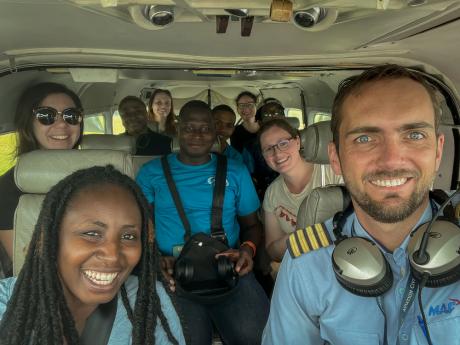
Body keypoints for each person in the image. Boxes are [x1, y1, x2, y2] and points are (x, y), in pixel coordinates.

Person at [262, 64, 460, 345]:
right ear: (335, 157)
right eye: (365, 138)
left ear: (438, 151)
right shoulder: (305, 265)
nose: (391, 160)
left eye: (414, 135)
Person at [0, 165, 185, 345]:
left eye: (128, 236)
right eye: (91, 234)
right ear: (50, 238)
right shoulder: (4, 304)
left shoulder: (150, 300)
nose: (113, 255)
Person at [137, 100, 269, 345]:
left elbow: (252, 226)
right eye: (189, 128)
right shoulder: (151, 172)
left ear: (214, 131)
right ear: (177, 129)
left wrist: (247, 250)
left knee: (259, 338)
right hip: (174, 272)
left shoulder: (236, 171)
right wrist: (155, 258)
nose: (197, 135)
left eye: (205, 128)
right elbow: (140, 229)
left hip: (229, 268)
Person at [0, 82, 83, 278]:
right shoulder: (7, 189)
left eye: (71, 115)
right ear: (29, 123)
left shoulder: (102, 177)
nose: (62, 124)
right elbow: (26, 264)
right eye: (47, 115)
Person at [259, 118, 342, 262]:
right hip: (304, 264)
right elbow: (273, 251)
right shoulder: (272, 192)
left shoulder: (334, 172)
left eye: (283, 144)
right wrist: (301, 238)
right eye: (268, 149)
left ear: (298, 141)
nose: (277, 154)